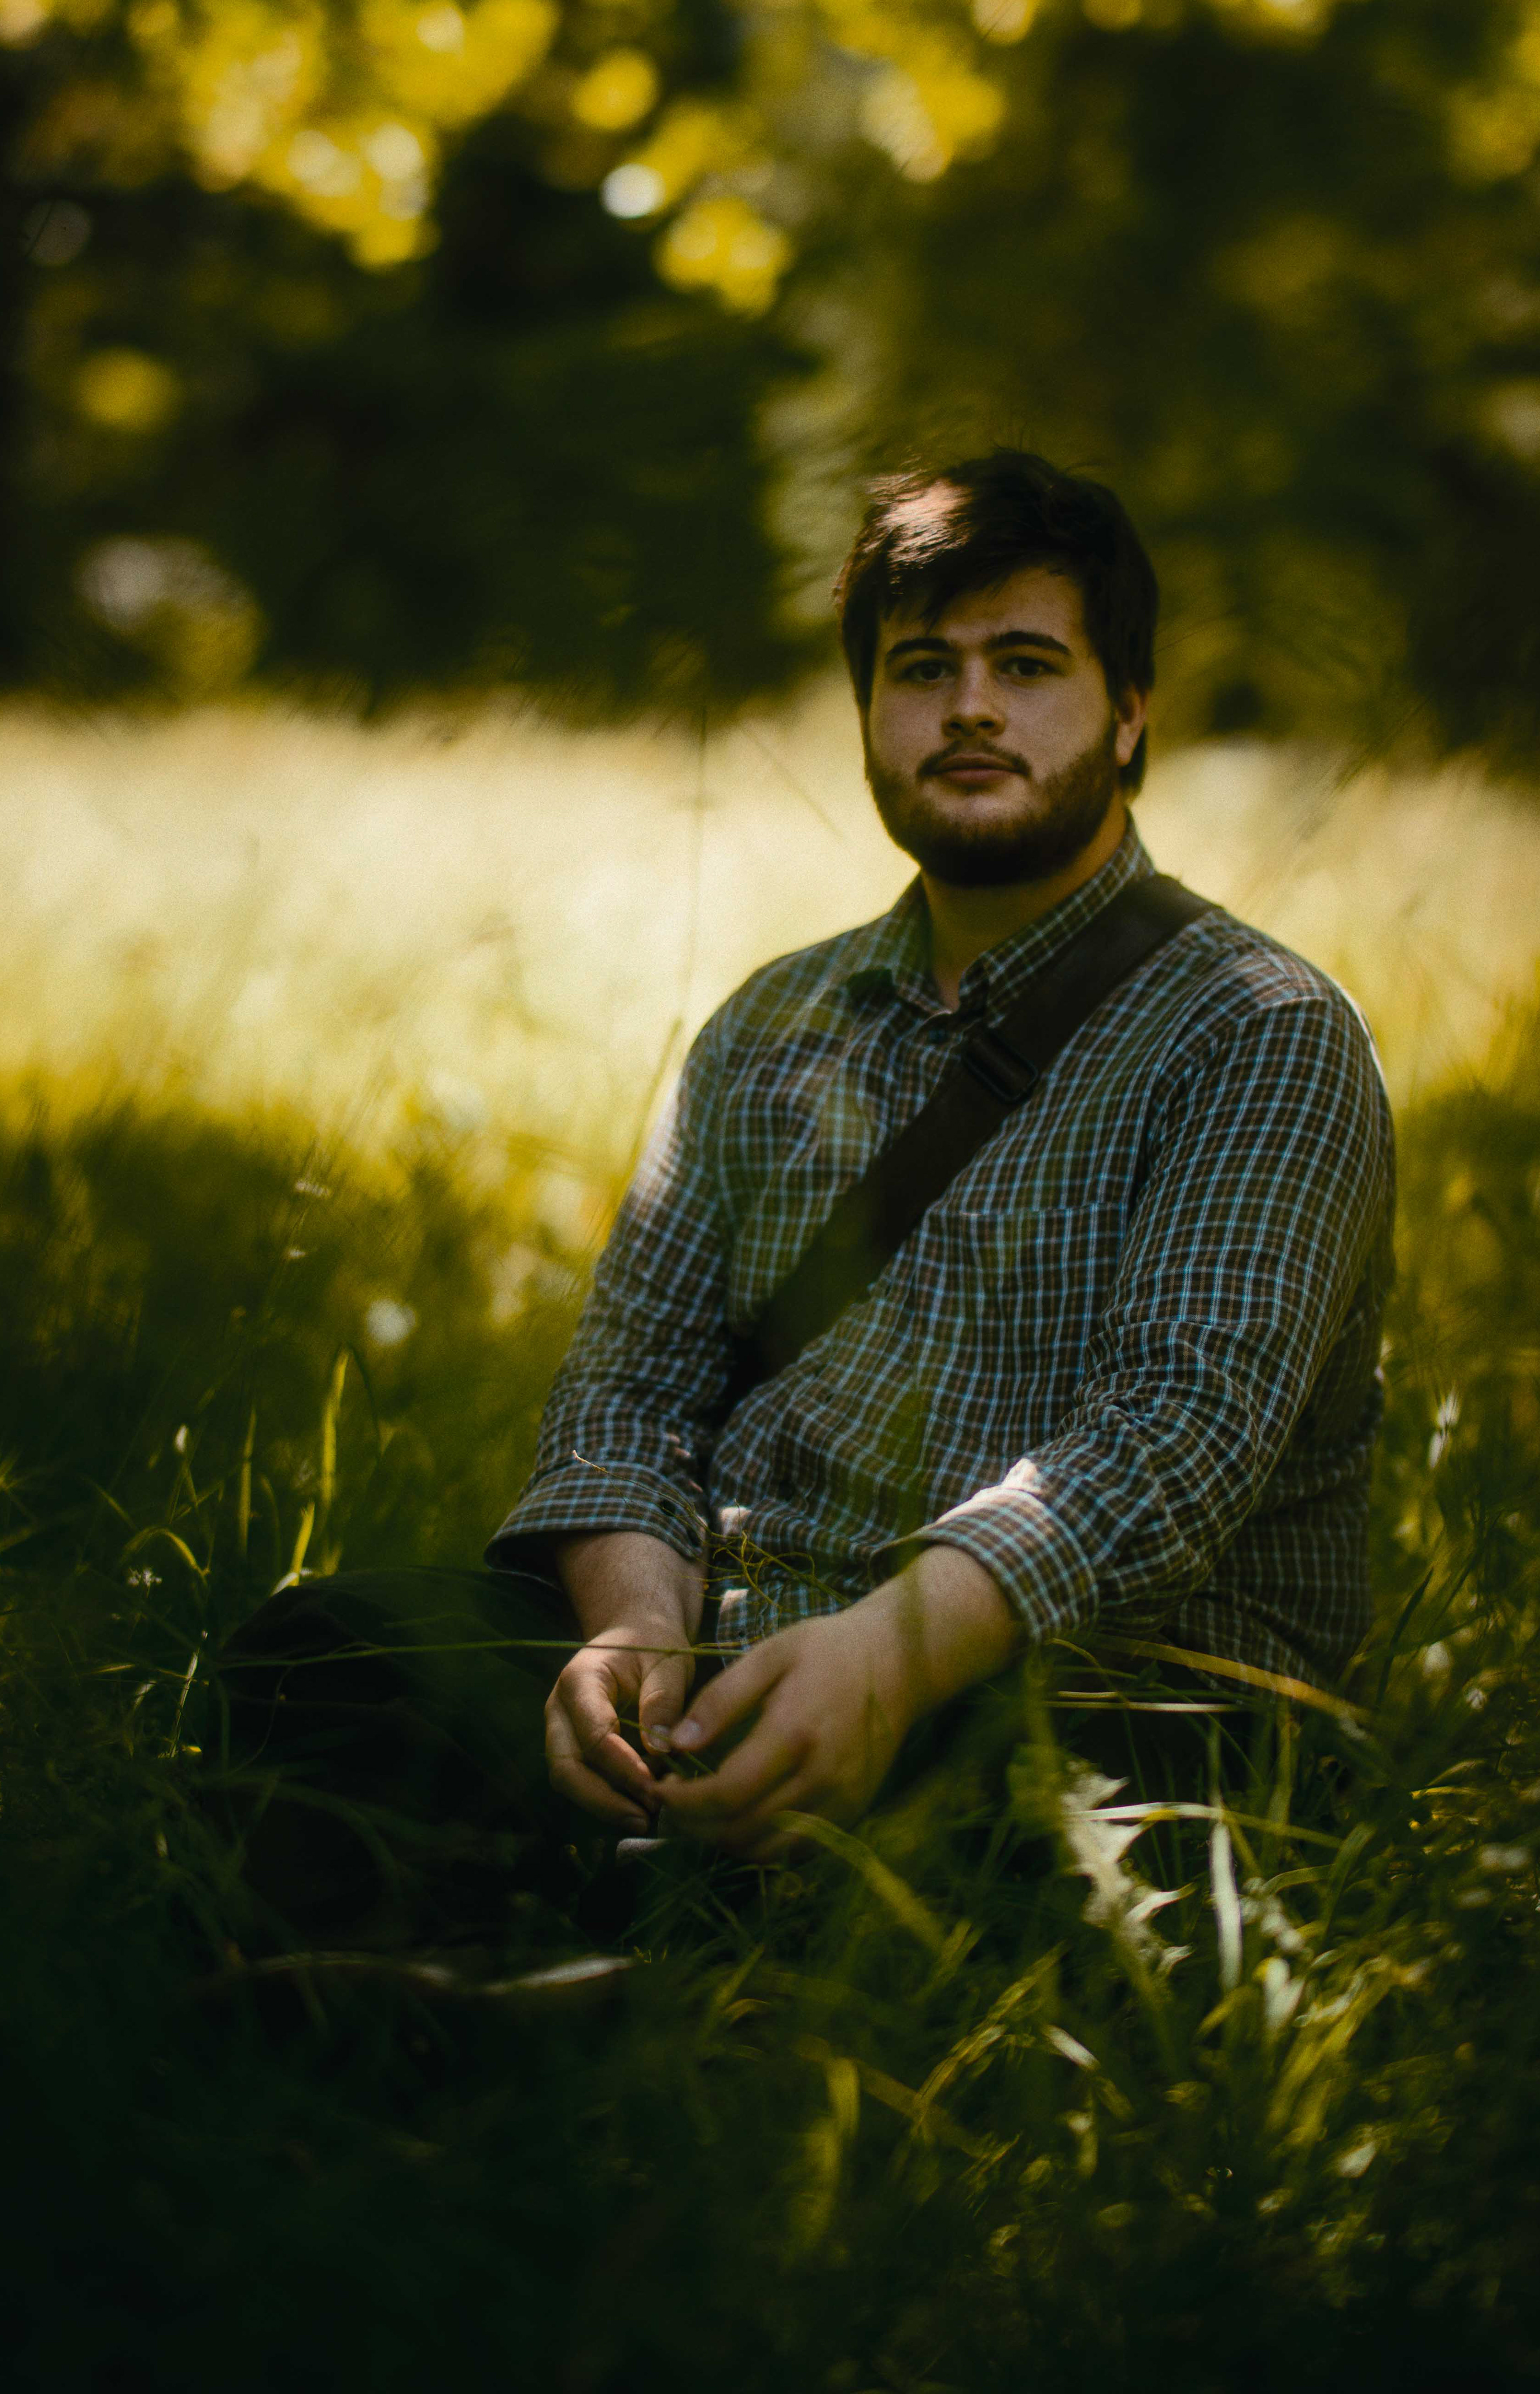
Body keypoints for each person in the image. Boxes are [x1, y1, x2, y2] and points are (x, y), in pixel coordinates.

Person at [218, 452, 1395, 1937]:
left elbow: (1173, 1443)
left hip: (1075, 1691)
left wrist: (889, 1656)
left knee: (1018, 1852)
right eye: (923, 668)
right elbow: (628, 1391)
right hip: (724, 1657)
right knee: (321, 1658)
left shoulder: (1257, 1025)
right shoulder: (772, 1024)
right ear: (868, 717)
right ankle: (487, 1996)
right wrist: (632, 1639)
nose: (970, 706)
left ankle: (579, 1983)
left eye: (1028, 664)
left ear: (1132, 710)